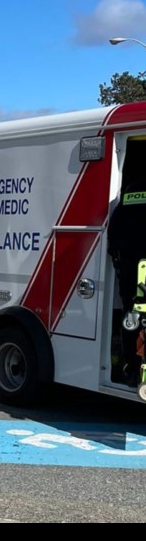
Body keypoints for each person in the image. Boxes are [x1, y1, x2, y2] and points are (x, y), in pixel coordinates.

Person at [107, 152, 146, 386]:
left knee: (131, 318)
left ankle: (131, 367)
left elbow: (114, 231)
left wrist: (120, 262)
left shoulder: (131, 191)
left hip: (130, 271)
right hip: (136, 268)